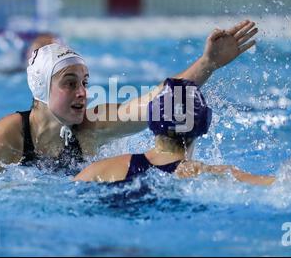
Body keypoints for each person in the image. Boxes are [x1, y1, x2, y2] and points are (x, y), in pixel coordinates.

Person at [0, 20, 259, 171]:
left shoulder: (92, 126)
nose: (82, 92)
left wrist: (208, 63)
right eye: (70, 83)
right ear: (41, 88)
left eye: (85, 82)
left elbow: (156, 101)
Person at [74, 78, 275, 185]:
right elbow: (275, 184)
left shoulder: (102, 169)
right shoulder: (204, 174)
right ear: (203, 126)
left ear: (151, 121)